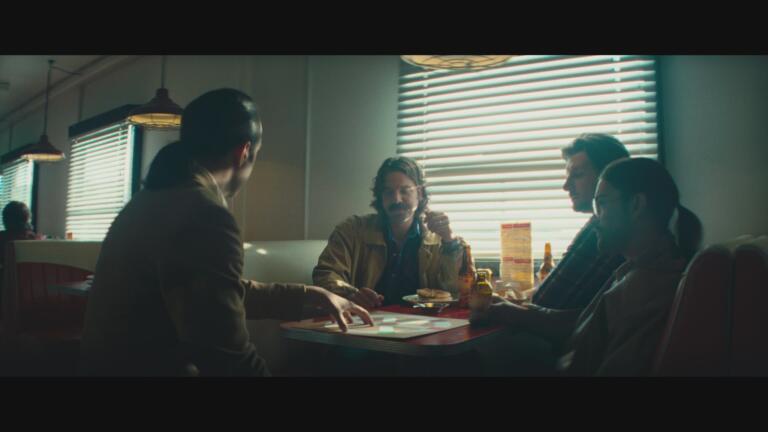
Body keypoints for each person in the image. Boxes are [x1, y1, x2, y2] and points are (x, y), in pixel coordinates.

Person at [80, 88, 372, 376]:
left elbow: (212, 293)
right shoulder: (205, 215)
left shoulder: (149, 199)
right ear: (244, 152)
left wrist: (311, 295)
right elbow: (225, 355)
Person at [474, 157, 702, 375]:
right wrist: (519, 312)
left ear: (636, 205)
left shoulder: (646, 287)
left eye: (601, 204)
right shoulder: (640, 268)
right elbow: (589, 324)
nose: (596, 219)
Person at [312, 156, 464, 308]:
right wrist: (351, 294)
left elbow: (457, 290)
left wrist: (449, 241)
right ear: (380, 196)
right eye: (388, 192)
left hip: (421, 319)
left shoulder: (439, 239)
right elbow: (326, 274)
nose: (396, 199)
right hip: (365, 317)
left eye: (404, 191)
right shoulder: (352, 230)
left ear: (420, 193)